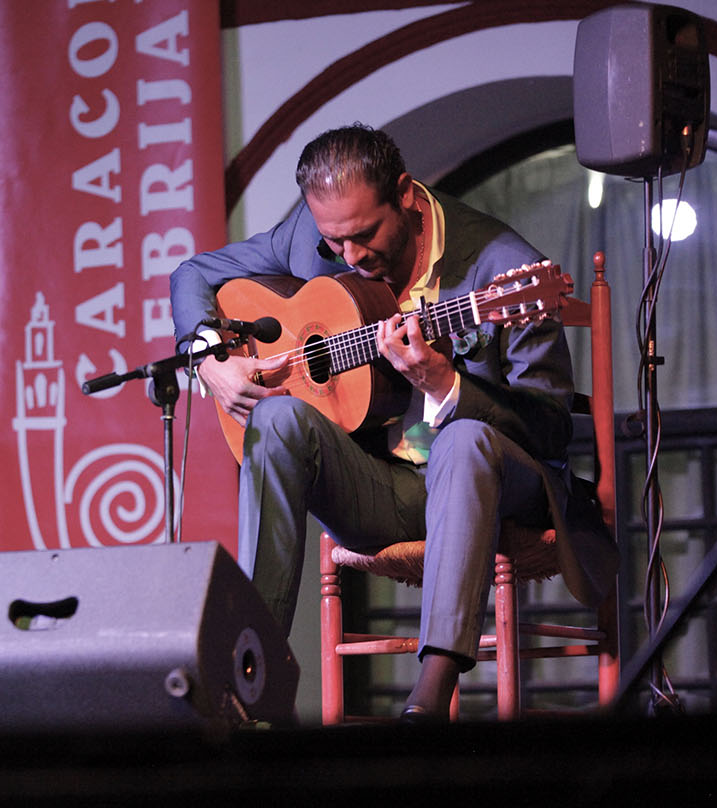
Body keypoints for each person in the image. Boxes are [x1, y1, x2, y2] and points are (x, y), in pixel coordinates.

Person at [170, 123, 615, 720]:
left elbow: (551, 430)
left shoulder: (502, 267)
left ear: (404, 193)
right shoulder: (312, 236)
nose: (349, 256)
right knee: (275, 420)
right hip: (388, 488)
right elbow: (192, 274)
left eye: (363, 235)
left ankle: (428, 699)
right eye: (336, 243)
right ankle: (247, 683)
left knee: (462, 437)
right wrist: (211, 360)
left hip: (498, 486)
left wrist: (442, 383)